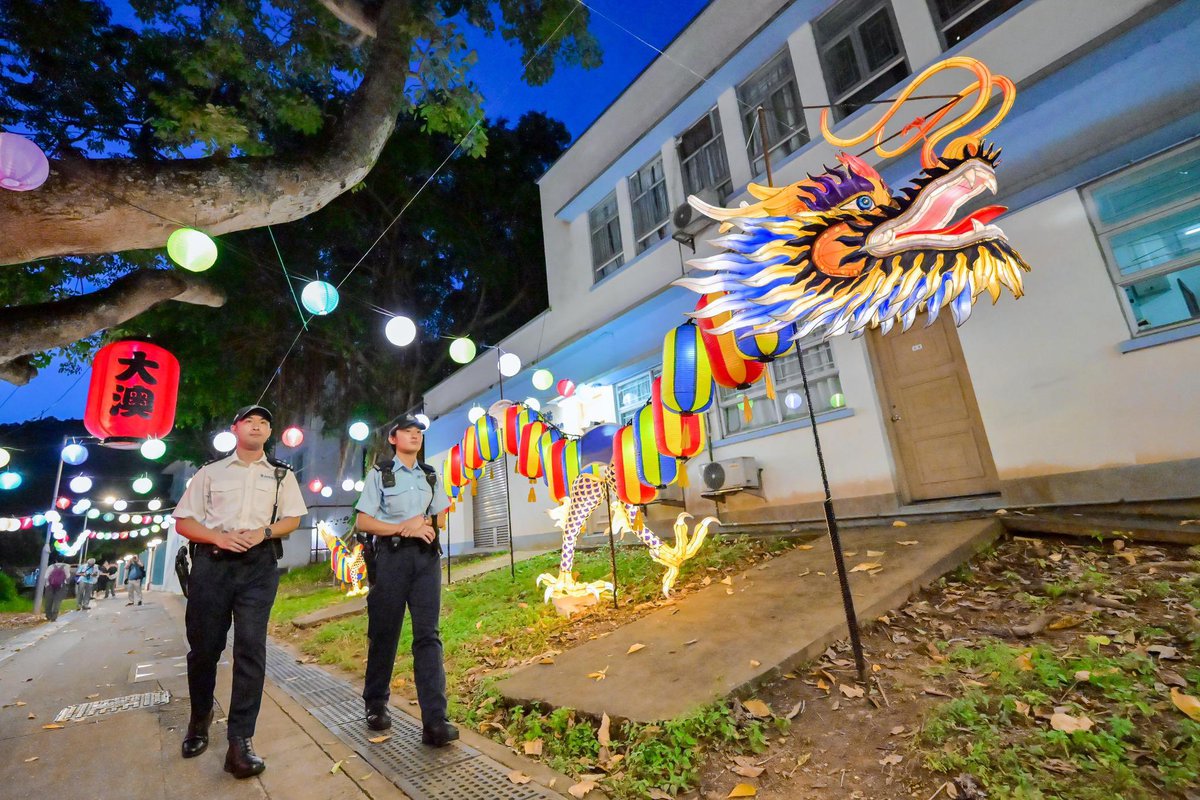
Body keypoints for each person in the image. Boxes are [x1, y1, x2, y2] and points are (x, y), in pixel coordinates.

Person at [173, 405, 306, 779]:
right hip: (212, 566)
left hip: (259, 566)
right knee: (204, 649)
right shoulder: (210, 472)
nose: (258, 426)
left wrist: (264, 532)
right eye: (250, 421)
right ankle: (199, 719)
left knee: (251, 648)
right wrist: (218, 536)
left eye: (265, 422)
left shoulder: (281, 475)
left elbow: (292, 519)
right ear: (235, 429)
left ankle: (240, 741)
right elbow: (184, 521)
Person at [355, 414, 457, 747]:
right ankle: (375, 703)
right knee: (385, 632)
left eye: (419, 432)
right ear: (393, 438)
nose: (415, 436)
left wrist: (423, 522)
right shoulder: (380, 474)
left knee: (429, 635)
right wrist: (403, 527)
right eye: (408, 432)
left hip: (426, 557)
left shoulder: (429, 474)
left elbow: (441, 508)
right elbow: (364, 521)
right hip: (392, 558)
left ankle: (435, 720)